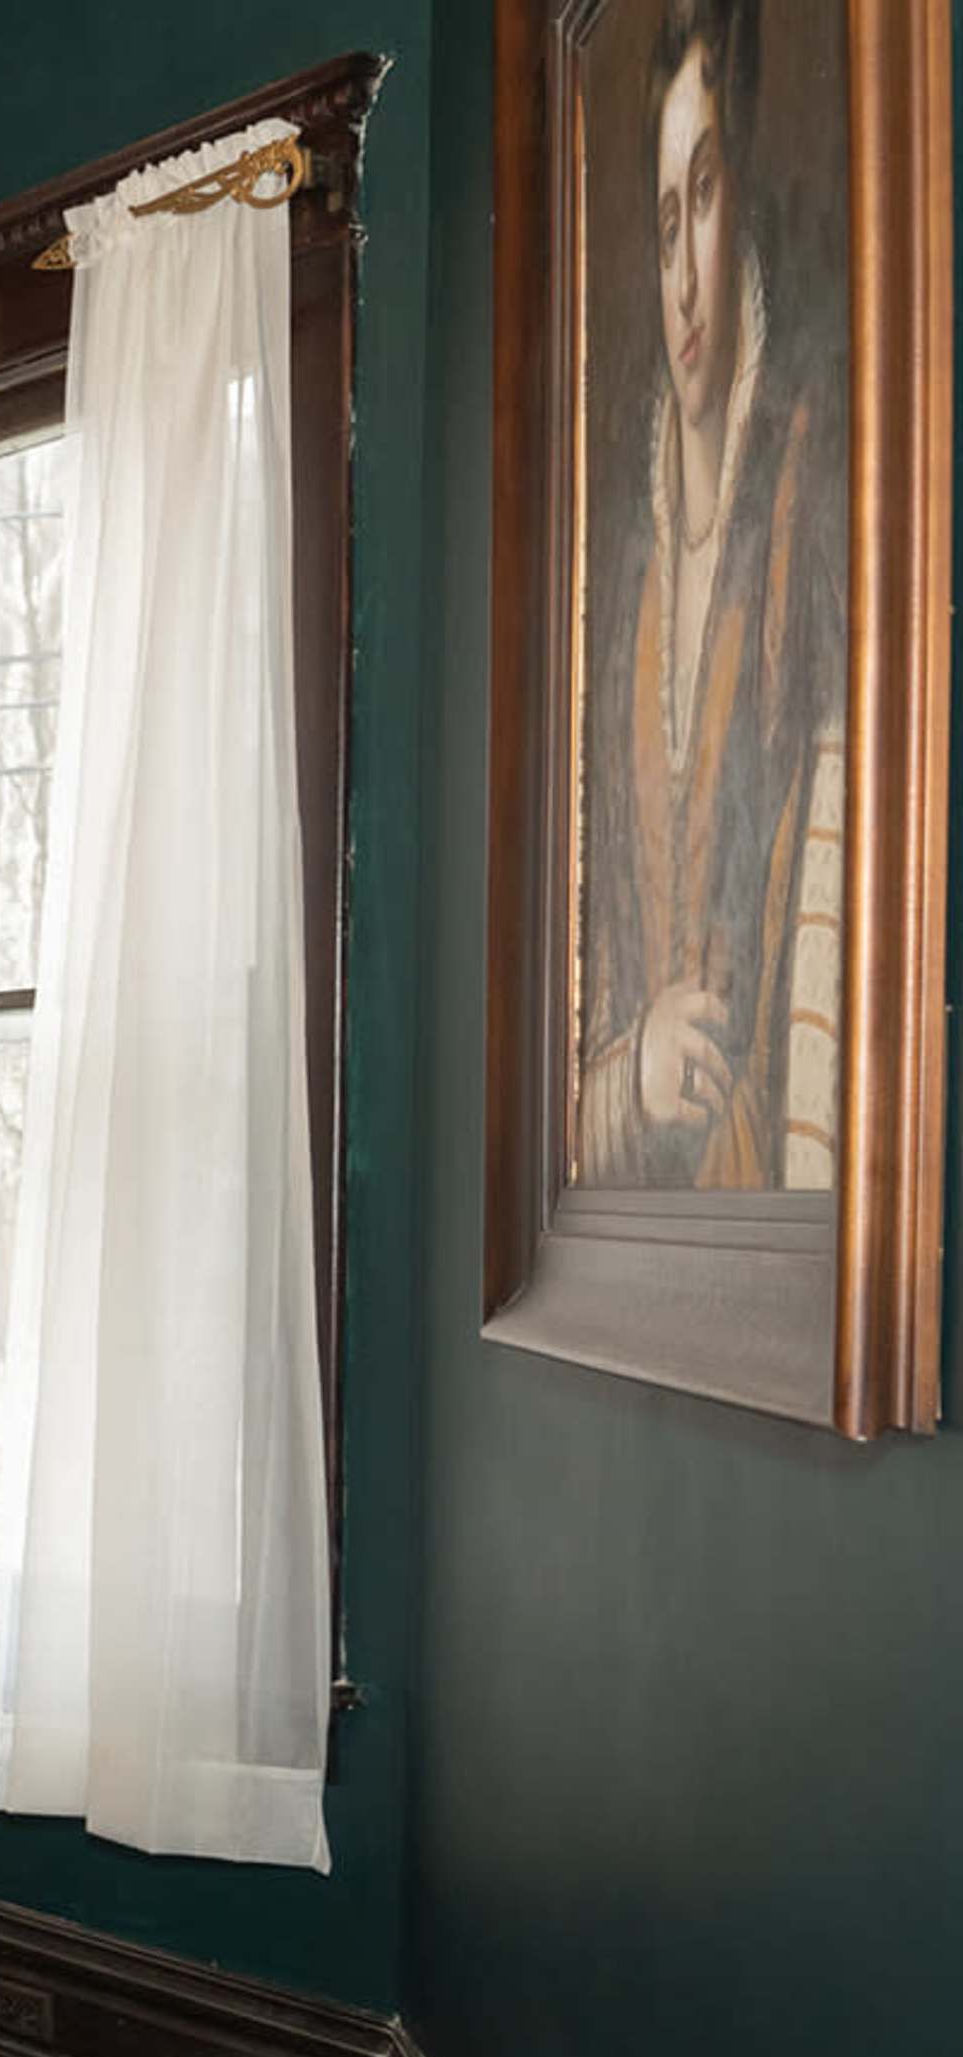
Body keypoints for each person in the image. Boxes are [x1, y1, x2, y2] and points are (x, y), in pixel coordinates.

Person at [576, 0, 847, 1191]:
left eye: (708, 191)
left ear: (744, 214)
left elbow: (827, 898)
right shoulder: (623, 576)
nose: (684, 271)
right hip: (634, 1224)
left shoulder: (800, 495)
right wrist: (629, 1076)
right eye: (664, 218)